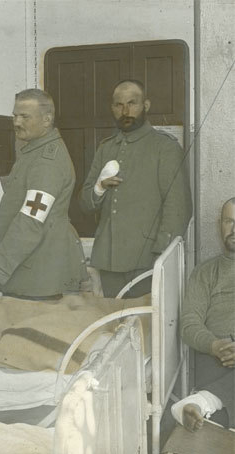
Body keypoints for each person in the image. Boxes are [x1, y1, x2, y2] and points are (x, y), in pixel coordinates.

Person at [0, 89, 88, 300]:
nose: (16, 122)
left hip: (38, 275)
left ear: (46, 120)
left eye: (25, 117)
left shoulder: (47, 163)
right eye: (15, 116)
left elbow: (31, 221)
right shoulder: (34, 151)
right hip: (28, 266)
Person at [79, 79, 192, 298]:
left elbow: (179, 208)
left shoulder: (165, 147)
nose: (125, 111)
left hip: (147, 260)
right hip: (108, 259)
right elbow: (85, 203)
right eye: (119, 105)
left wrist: (162, 256)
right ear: (112, 108)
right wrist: (99, 187)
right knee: (112, 317)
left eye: (132, 103)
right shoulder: (106, 148)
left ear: (146, 105)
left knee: (145, 318)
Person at [179, 197, 235, 431]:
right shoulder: (206, 272)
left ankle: (203, 403)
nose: (234, 229)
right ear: (219, 225)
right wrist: (214, 346)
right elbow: (189, 323)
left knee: (213, 424)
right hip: (216, 360)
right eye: (229, 221)